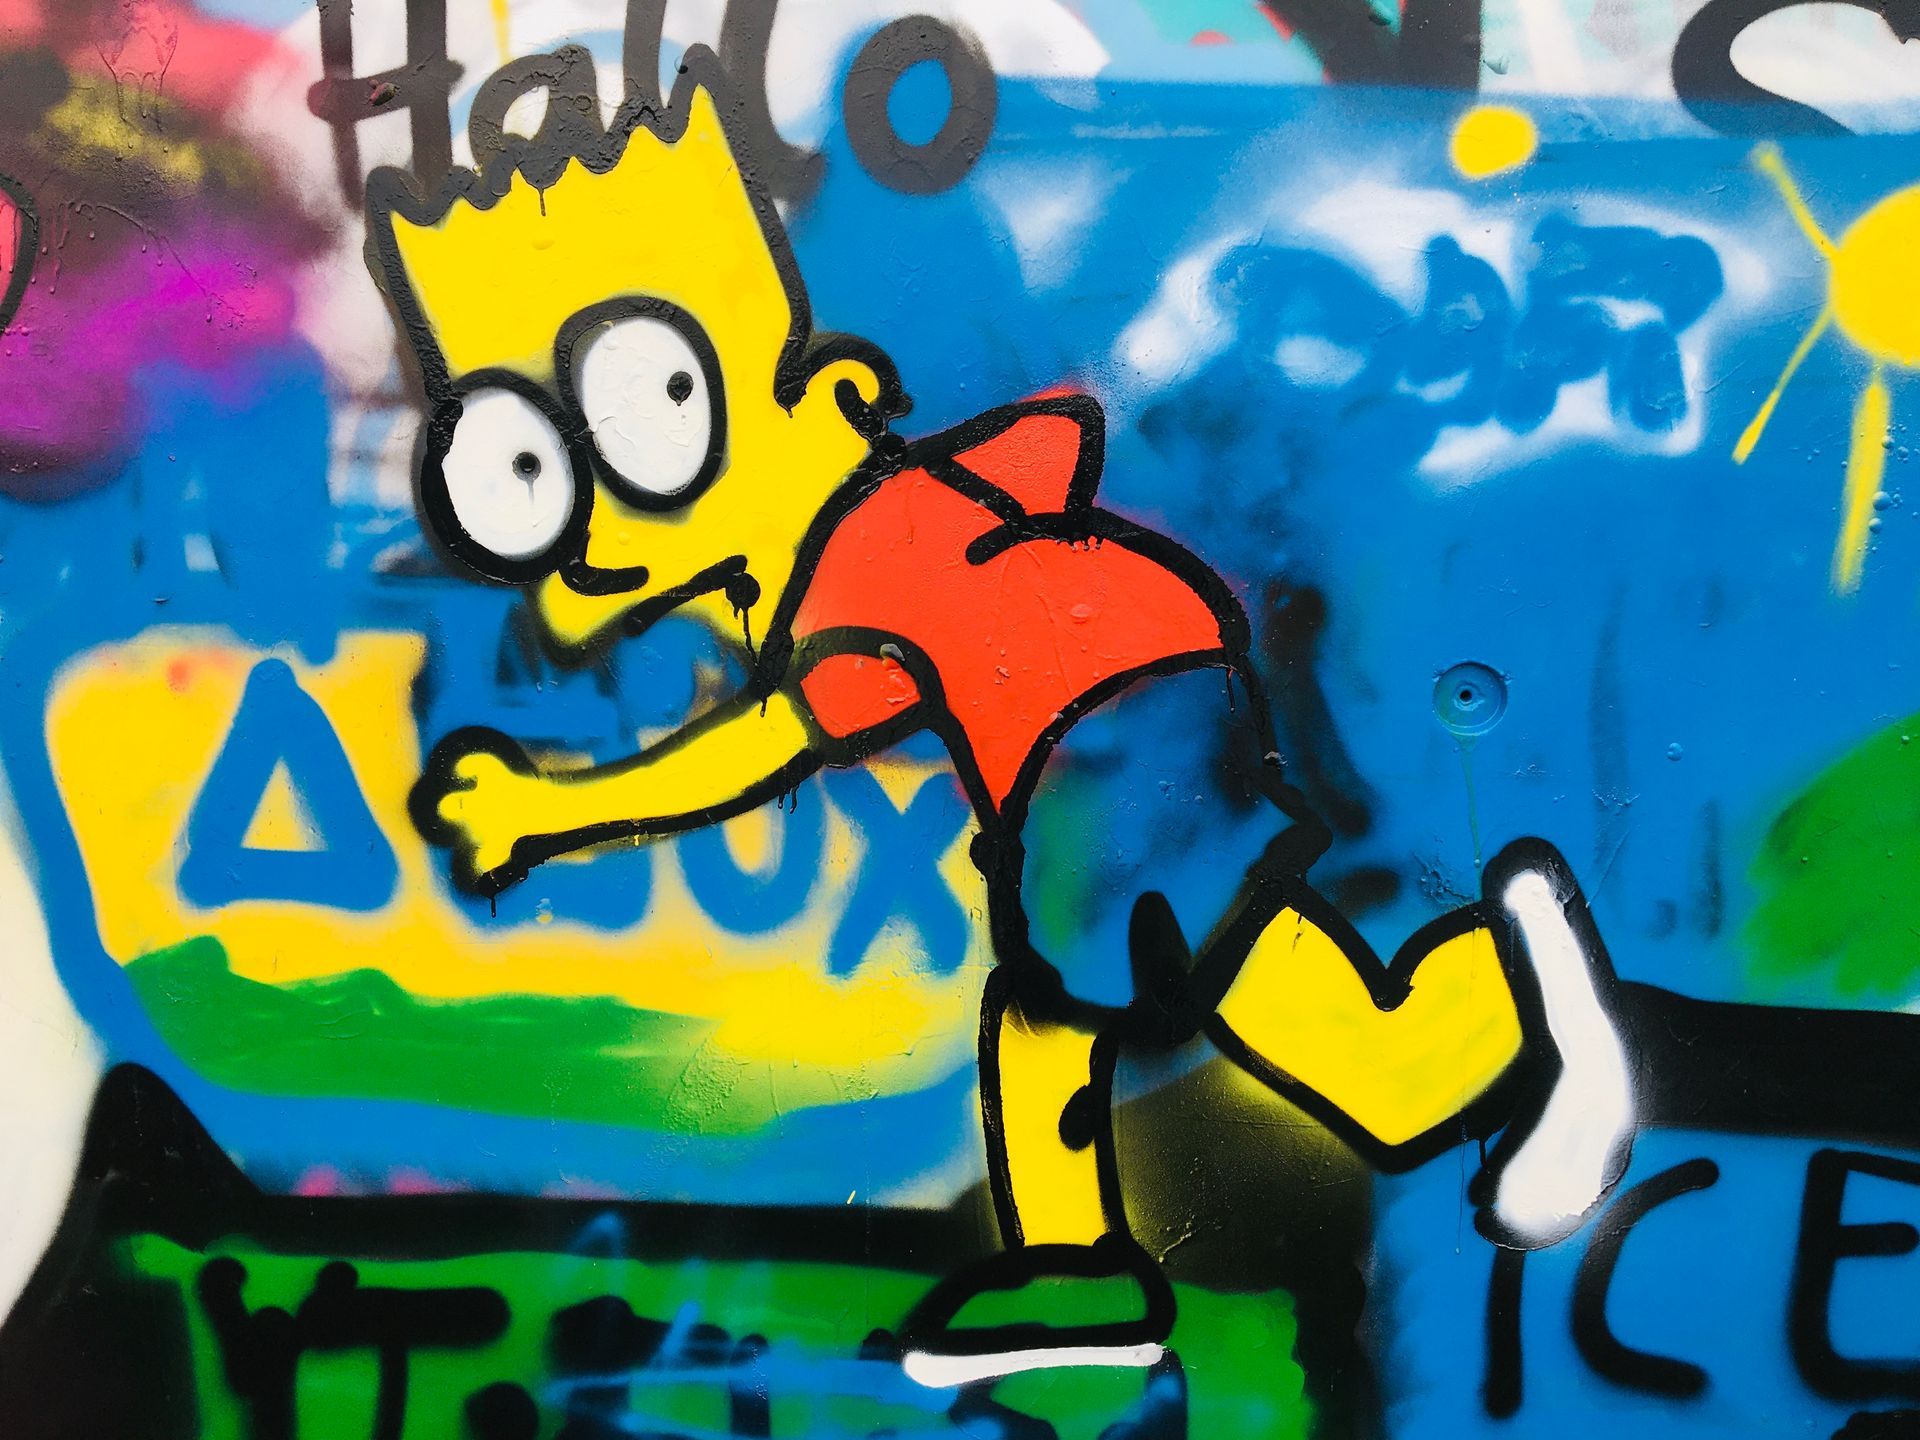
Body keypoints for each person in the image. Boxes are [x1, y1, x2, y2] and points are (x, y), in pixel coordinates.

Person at [368, 52, 1635, 1384]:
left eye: (641, 419)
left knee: (1115, 1003)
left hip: (1126, 720)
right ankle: (1111, 1250)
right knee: (1129, 1011)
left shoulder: (863, 564)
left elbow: (763, 743)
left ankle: (1500, 1017)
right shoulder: (862, 536)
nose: (591, 541)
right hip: (1122, 721)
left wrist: (553, 807)